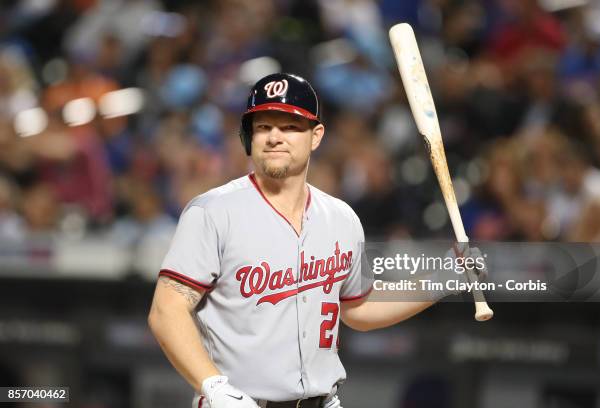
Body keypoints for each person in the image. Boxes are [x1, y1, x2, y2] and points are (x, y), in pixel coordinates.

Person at [148, 73, 484, 408]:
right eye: (263, 127)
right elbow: (168, 310)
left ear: (316, 136)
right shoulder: (213, 212)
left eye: (290, 127)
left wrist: (442, 279)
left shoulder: (341, 219)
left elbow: (358, 307)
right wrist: (214, 387)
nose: (274, 137)